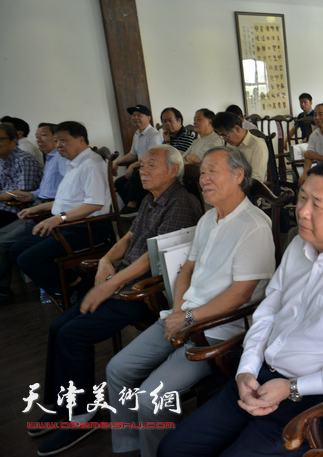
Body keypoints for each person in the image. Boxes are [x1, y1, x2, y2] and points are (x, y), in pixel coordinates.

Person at [157, 161, 323, 457]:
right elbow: (267, 312)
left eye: (317, 204)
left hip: (312, 401)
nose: (302, 211)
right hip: (255, 379)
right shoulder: (300, 245)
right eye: (302, 197)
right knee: (173, 448)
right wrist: (246, 369)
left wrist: (292, 387)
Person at [28, 145, 203, 456]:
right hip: (122, 280)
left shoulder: (180, 203)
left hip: (144, 292)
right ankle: (63, 404)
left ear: (173, 171)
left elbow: (154, 262)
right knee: (59, 326)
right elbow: (129, 238)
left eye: (151, 165)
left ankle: (83, 415)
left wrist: (109, 287)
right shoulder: (152, 198)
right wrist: (106, 261)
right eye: (143, 164)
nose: (142, 170)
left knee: (73, 334)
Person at [106, 146, 275, 457]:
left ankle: (155, 452)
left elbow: (240, 294)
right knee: (117, 368)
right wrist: (181, 309)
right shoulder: (209, 217)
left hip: (217, 328)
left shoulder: (254, 226)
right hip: (184, 316)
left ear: (238, 176)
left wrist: (188, 319)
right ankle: (129, 445)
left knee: (150, 397)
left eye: (212, 172)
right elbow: (188, 269)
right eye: (203, 173)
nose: (203, 179)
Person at [10, 121, 112, 299]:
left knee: (27, 259)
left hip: (88, 228)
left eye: (63, 140)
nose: (58, 145)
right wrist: (39, 208)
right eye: (56, 141)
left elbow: (94, 205)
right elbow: (67, 201)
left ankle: (74, 289)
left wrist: (58, 218)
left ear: (80, 140)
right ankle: (76, 284)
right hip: (69, 224)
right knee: (16, 249)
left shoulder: (90, 164)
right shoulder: (73, 163)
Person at [0, 123, 67, 304]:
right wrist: (31, 195)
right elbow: (44, 191)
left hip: (48, 212)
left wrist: (35, 203)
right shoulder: (51, 158)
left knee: (7, 243)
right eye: (37, 136)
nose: (39, 140)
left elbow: (64, 198)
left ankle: (4, 291)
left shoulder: (61, 159)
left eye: (43, 136)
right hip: (39, 206)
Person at [113, 105, 164, 214]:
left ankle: (132, 206)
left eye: (139, 115)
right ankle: (135, 209)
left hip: (153, 169)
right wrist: (117, 162)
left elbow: (152, 158)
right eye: (133, 115)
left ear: (148, 118)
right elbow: (133, 154)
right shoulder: (137, 134)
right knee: (119, 182)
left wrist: (132, 166)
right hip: (142, 168)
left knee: (136, 176)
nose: (135, 117)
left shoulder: (153, 135)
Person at [0, 122, 43, 228]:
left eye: (0, 139)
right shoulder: (1, 159)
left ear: (14, 141)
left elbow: (23, 192)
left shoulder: (24, 160)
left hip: (16, 210)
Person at [212, 111, 269, 183]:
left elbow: (257, 178)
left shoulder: (257, 145)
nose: (224, 139)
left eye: (225, 135)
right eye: (221, 136)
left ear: (237, 129)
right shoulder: (230, 144)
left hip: (249, 188)